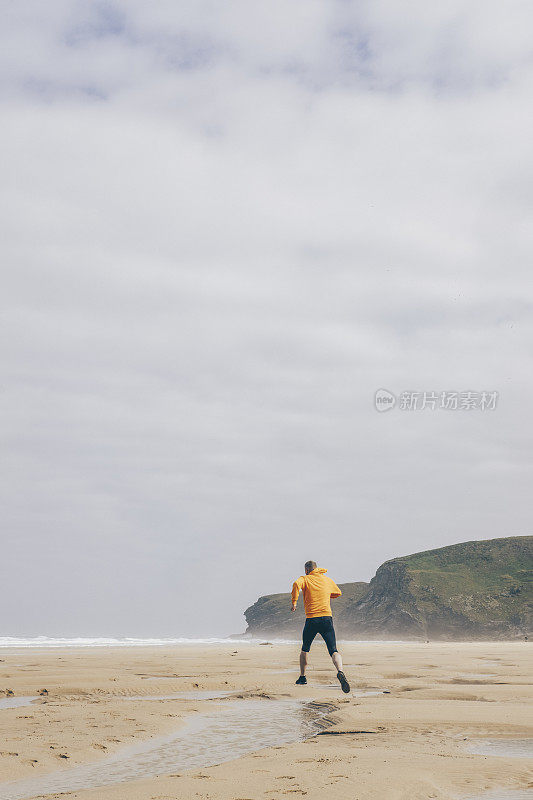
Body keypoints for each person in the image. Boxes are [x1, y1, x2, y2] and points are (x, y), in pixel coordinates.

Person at [291, 561, 350, 693]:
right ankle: (340, 671)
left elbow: (296, 584)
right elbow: (337, 593)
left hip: (312, 619)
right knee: (333, 650)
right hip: (326, 619)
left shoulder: (304, 579)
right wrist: (325, 594)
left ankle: (302, 677)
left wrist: (294, 602)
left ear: (307, 570)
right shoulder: (327, 580)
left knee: (305, 648)